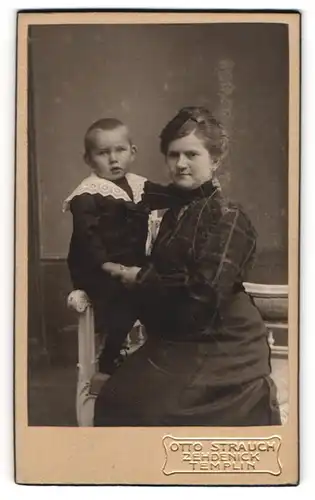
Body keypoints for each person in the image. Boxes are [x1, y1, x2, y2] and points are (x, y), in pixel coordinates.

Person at [94, 106, 281, 426]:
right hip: (177, 339)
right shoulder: (174, 214)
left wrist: (140, 278)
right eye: (172, 155)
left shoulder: (229, 217)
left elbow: (203, 295)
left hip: (224, 344)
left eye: (191, 154)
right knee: (115, 398)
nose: (180, 164)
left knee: (152, 412)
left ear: (216, 160)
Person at [63, 117, 187, 377]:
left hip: (131, 262)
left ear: (133, 152)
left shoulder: (138, 185)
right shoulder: (87, 194)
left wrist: (196, 191)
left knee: (157, 289)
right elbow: (87, 238)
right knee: (126, 299)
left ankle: (155, 353)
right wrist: (108, 266)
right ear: (88, 159)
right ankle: (110, 354)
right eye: (103, 153)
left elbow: (168, 195)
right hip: (97, 268)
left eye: (119, 150)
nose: (113, 159)